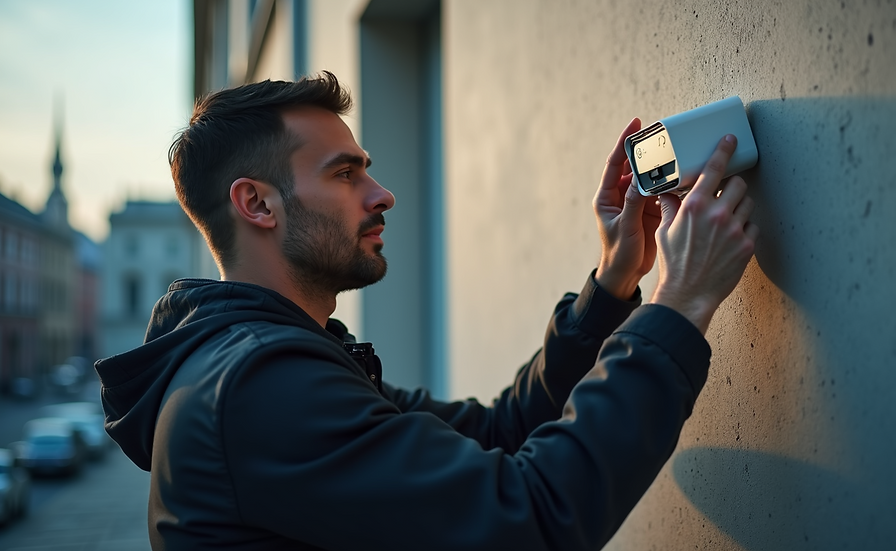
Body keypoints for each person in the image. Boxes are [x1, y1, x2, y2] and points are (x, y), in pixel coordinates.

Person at [95, 72, 758, 551]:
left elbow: (500, 433)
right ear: (258, 204)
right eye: (345, 174)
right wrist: (680, 302)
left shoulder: (274, 361)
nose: (382, 194)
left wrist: (615, 281)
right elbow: (527, 517)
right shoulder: (257, 389)